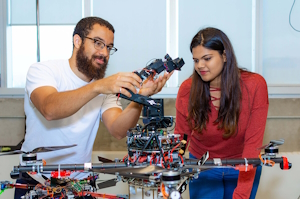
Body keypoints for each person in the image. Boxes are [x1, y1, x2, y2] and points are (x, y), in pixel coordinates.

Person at [15, 16, 172, 199]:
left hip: (79, 185)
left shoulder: (104, 87)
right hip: (37, 181)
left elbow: (118, 129)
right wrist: (98, 86)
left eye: (109, 47)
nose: (104, 53)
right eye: (98, 43)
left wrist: (140, 98)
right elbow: (50, 109)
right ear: (77, 40)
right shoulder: (43, 71)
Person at [174, 27, 269, 199]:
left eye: (207, 58)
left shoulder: (255, 86)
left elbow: (253, 143)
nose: (200, 66)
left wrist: (241, 194)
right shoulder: (188, 90)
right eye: (196, 60)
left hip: (242, 165)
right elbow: (181, 137)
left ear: (224, 56)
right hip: (202, 167)